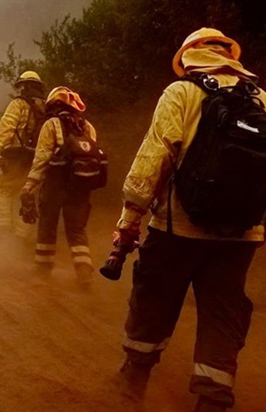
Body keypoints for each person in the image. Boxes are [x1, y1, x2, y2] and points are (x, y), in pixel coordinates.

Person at [112, 28, 265, 412]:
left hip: (176, 227)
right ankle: (213, 397)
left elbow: (154, 158)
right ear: (230, 56)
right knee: (223, 311)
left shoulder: (180, 92)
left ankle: (134, 379)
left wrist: (129, 218)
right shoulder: (261, 99)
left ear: (189, 56)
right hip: (243, 233)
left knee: (154, 298)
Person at [20, 86, 98, 285]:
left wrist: (30, 184)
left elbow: (42, 158)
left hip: (55, 184)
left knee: (47, 224)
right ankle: (83, 270)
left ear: (54, 105)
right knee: (76, 229)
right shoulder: (88, 127)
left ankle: (43, 268)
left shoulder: (51, 125)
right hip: (80, 186)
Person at [0, 71, 46, 236]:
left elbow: (6, 127)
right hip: (36, 160)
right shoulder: (46, 106)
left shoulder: (18, 104)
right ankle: (22, 237)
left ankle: (4, 230)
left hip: (15, 157)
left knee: (1, 188)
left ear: (25, 86)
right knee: (28, 196)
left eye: (21, 86)